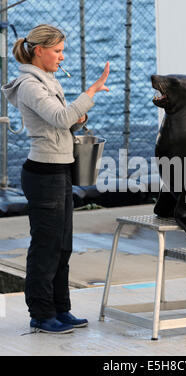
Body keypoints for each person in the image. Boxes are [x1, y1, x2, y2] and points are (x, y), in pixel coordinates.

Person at [1, 24, 110, 334]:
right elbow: (62, 118)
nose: (63, 57)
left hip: (61, 169)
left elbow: (64, 123)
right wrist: (88, 95)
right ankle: (41, 313)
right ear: (39, 51)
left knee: (63, 246)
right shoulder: (30, 85)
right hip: (43, 174)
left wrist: (81, 116)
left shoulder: (47, 81)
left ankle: (61, 309)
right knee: (46, 247)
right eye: (58, 51)